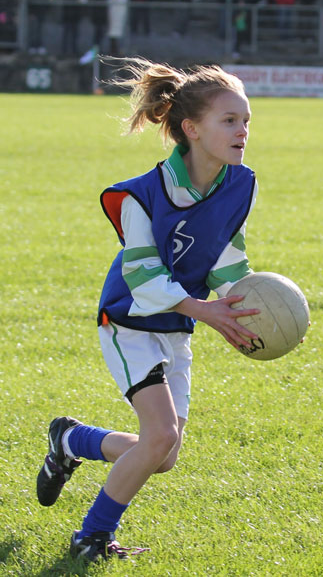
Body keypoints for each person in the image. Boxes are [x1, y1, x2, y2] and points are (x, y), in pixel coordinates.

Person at [36, 62, 260, 563]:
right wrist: (205, 310)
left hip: (174, 328)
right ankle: (91, 537)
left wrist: (248, 309)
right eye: (229, 120)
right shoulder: (142, 193)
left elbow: (229, 261)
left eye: (246, 120)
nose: (243, 131)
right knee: (158, 436)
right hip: (128, 320)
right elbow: (141, 275)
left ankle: (71, 439)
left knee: (163, 455)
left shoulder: (240, 185)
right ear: (191, 128)